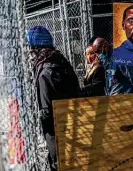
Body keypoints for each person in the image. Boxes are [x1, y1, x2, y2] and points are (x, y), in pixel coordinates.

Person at [26, 26, 80, 171]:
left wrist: (36, 119)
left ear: (35, 48)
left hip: (56, 133)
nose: (30, 53)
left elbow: (47, 112)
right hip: (76, 125)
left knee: (58, 164)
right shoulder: (63, 62)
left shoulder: (44, 73)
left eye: (31, 49)